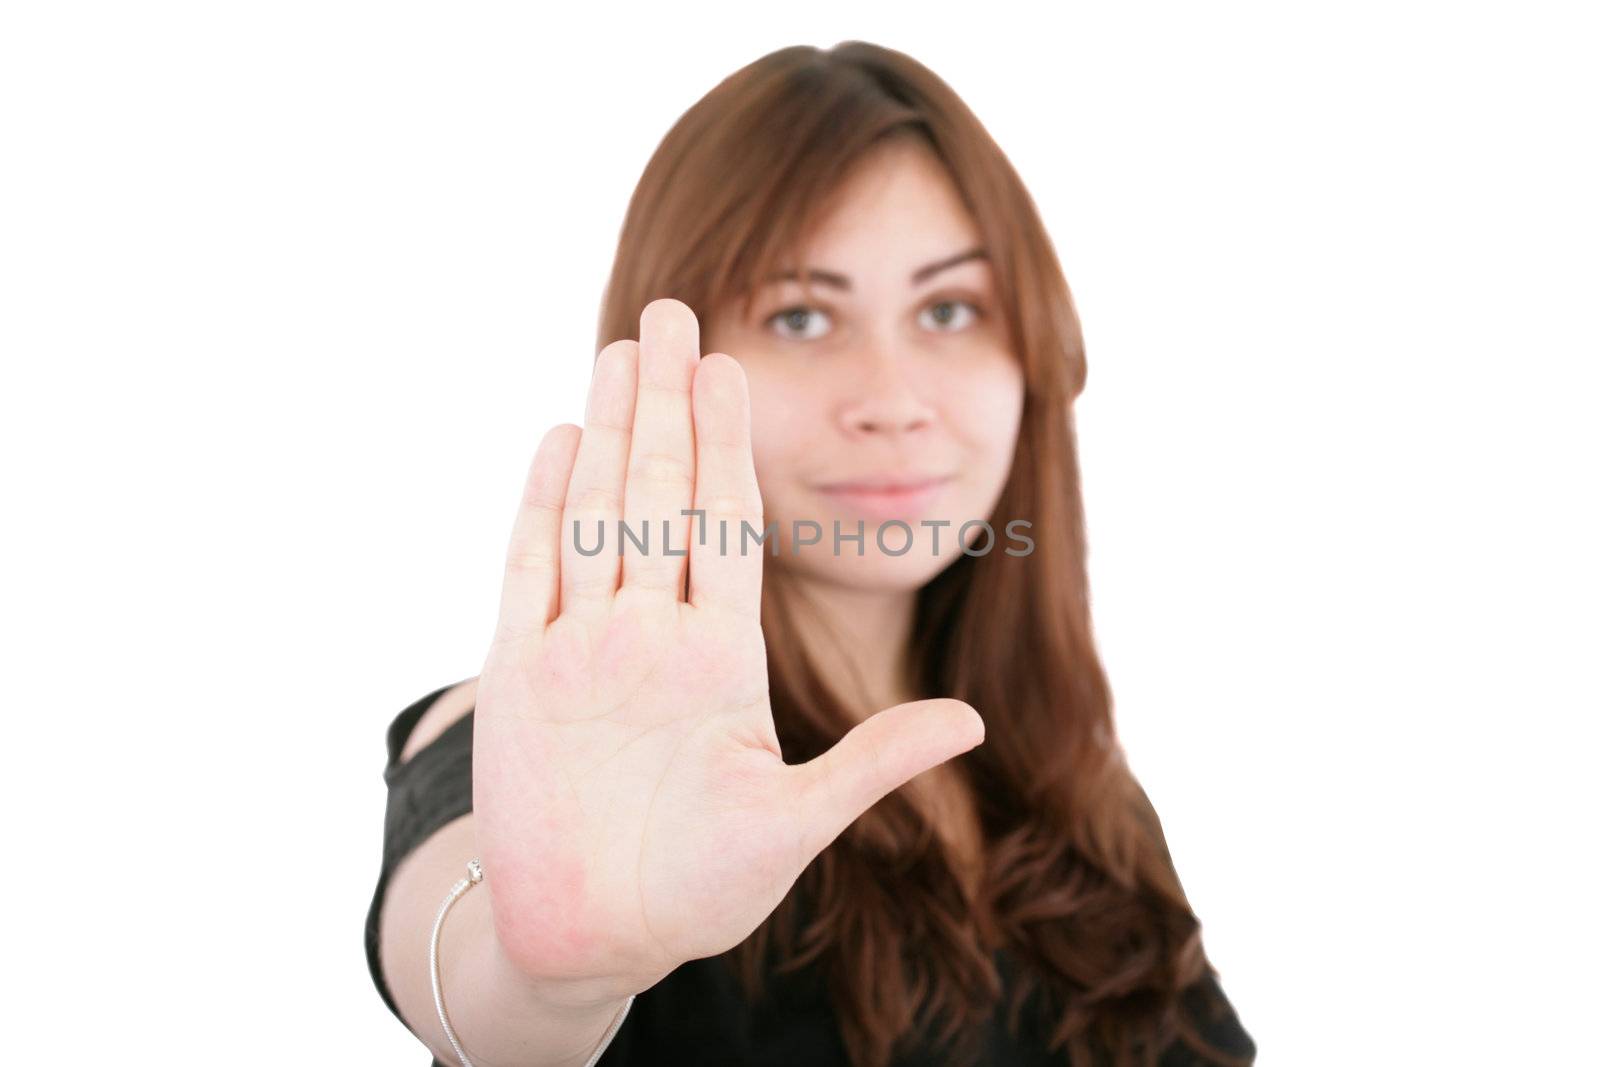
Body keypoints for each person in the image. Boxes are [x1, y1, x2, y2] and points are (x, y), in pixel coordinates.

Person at [364, 40, 1256, 1067]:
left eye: (948, 309)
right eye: (799, 315)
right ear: (684, 362)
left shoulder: (1077, 791)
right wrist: (551, 981)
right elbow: (475, 975)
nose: (891, 400)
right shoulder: (562, 735)